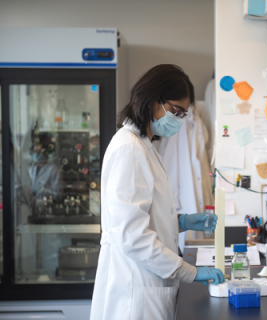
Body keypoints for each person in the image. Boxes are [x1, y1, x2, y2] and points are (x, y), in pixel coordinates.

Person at [90, 65, 225, 320]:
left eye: (183, 114)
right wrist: (191, 272)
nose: (178, 119)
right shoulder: (129, 149)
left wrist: (180, 222)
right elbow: (133, 237)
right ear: (153, 99)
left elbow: (142, 216)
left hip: (149, 286)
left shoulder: (144, 145)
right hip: (136, 294)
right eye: (176, 111)